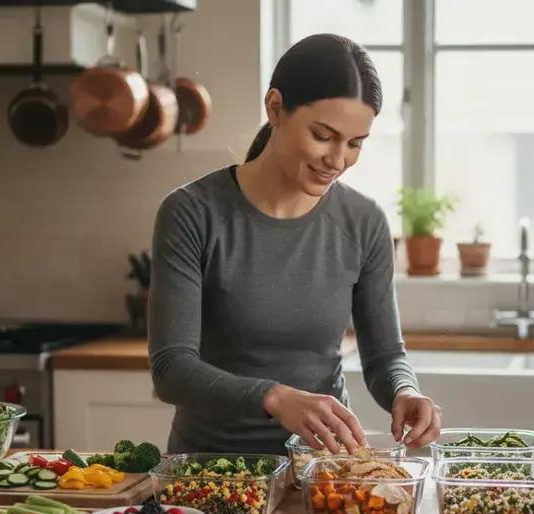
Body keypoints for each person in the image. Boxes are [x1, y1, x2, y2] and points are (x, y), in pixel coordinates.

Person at [149, 34, 441, 456]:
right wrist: (275, 398)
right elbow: (171, 369)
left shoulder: (364, 222)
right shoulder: (191, 212)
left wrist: (404, 391)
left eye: (355, 143)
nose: (338, 160)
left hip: (325, 470)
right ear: (275, 108)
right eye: (323, 135)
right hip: (215, 472)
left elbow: (384, 356)